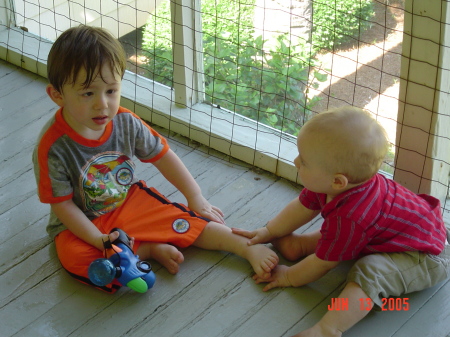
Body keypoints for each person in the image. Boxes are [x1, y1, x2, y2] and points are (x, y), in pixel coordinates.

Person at [32, 25, 278, 293]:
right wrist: (98, 239)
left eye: (111, 90)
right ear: (57, 95)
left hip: (127, 203)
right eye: (88, 93)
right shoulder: (52, 147)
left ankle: (244, 247)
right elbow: (63, 206)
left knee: (184, 220)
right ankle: (146, 249)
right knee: (75, 257)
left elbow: (163, 157)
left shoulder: (126, 122)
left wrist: (195, 197)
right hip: (80, 222)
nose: (102, 104)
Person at [232, 106, 450, 336]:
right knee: (335, 235)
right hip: (398, 233)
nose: (296, 162)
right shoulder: (333, 185)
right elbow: (302, 207)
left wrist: (289, 276)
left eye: (304, 161)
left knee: (369, 271)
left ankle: (329, 328)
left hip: (425, 256)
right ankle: (302, 245)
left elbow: (324, 263)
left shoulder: (352, 217)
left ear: (338, 181)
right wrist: (269, 231)